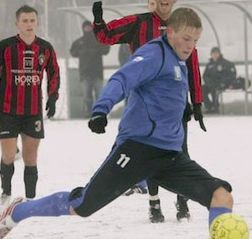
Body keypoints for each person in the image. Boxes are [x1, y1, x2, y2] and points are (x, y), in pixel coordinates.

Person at [0, 8, 238, 239]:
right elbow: (121, 79)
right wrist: (101, 109)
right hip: (137, 150)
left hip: (171, 156)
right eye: (186, 38)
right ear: (170, 32)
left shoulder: (180, 59)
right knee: (81, 206)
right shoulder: (154, 54)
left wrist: (191, 105)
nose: (190, 45)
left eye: (195, 40)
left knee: (221, 196)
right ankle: (17, 212)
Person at [92, 0, 206, 222]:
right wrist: (98, 21)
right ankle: (154, 203)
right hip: (145, 103)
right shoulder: (138, 22)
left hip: (175, 103)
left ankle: (183, 199)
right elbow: (105, 36)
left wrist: (197, 101)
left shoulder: (184, 26)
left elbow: (192, 63)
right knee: (151, 153)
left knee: (179, 151)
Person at [0, 5, 60, 204]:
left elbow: (54, 72)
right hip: (7, 110)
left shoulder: (45, 48)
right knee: (8, 154)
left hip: (33, 111)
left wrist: (52, 97)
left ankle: (30, 199)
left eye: (32, 20)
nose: (28, 24)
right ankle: (6, 192)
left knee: (30, 156)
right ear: (17, 23)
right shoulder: (5, 47)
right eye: (24, 21)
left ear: (37, 22)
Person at [70, 20, 110, 117]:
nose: (87, 29)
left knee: (99, 95)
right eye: (86, 27)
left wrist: (98, 49)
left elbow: (106, 49)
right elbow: (73, 52)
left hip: (97, 72)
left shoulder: (99, 40)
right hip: (85, 73)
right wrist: (80, 51)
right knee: (86, 96)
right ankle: (89, 112)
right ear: (83, 28)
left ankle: (99, 112)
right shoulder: (79, 42)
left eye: (89, 27)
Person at [202, 47, 236, 114]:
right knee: (201, 89)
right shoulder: (209, 65)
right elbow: (205, 76)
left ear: (219, 54)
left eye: (216, 53)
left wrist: (223, 82)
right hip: (211, 84)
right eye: (213, 53)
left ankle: (215, 108)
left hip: (222, 84)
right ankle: (209, 107)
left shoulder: (226, 63)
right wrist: (209, 83)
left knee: (215, 89)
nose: (215, 55)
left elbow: (231, 75)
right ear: (211, 54)